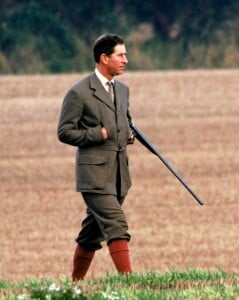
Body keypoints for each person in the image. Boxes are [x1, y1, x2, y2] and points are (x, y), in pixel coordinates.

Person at [57, 34, 134, 281]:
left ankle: (74, 285)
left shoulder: (122, 90)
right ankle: (130, 283)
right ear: (104, 58)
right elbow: (64, 132)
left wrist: (127, 133)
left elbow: (123, 121)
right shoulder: (79, 92)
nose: (126, 60)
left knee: (92, 233)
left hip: (119, 174)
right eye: (120, 55)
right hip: (94, 175)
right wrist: (97, 134)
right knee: (116, 223)